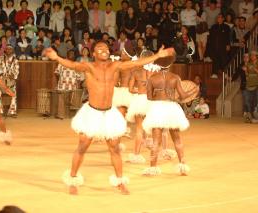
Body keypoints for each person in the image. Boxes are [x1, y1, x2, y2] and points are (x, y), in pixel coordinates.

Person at [44, 41, 174, 195]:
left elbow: (136, 63)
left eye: (106, 48)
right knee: (82, 147)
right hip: (92, 113)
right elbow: (72, 65)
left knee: (115, 149)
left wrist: (157, 55)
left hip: (109, 113)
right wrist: (56, 57)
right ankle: (73, 179)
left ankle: (119, 182)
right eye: (100, 48)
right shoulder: (88, 67)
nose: (104, 50)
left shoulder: (115, 66)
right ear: (93, 53)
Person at [142, 55, 199, 176]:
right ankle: (183, 167)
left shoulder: (152, 78)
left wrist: (158, 94)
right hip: (171, 108)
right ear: (170, 65)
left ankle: (153, 168)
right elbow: (183, 96)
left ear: (158, 65)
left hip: (157, 108)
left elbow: (149, 97)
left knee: (156, 141)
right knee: (177, 139)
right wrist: (193, 91)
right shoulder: (175, 77)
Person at [0, 44, 19, 117]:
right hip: (2, 79)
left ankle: (12, 111)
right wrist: (2, 75)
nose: (9, 50)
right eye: (7, 49)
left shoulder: (15, 60)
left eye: (10, 49)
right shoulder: (0, 58)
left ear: (12, 50)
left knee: (13, 94)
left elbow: (17, 70)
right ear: (5, 50)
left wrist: (13, 75)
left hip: (11, 79)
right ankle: (0, 110)